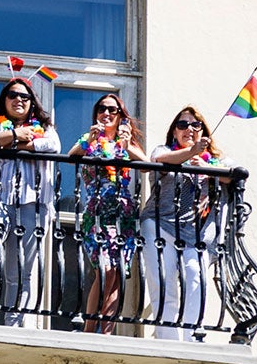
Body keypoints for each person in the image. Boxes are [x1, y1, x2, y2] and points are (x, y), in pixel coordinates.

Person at [0, 78, 60, 326]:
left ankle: (16, 322)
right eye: (13, 95)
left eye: (25, 96)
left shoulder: (44, 127)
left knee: (20, 268)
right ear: (4, 100)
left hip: (32, 202)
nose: (19, 99)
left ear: (32, 103)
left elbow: (53, 146)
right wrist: (12, 134)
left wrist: (20, 142)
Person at [64, 93, 146, 333]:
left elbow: (145, 163)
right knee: (104, 268)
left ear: (121, 116)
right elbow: (71, 157)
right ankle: (90, 329)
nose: (106, 113)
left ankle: (107, 331)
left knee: (117, 271)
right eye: (102, 109)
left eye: (112, 110)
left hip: (123, 214)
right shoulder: (89, 141)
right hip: (97, 213)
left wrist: (127, 144)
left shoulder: (126, 143)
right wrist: (90, 140)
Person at [143, 105, 226, 341]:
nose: (189, 128)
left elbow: (234, 175)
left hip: (196, 233)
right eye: (182, 125)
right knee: (163, 281)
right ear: (174, 132)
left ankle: (191, 339)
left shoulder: (215, 160)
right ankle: (168, 340)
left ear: (203, 131)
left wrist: (208, 168)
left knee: (196, 278)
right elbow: (161, 159)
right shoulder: (165, 149)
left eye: (195, 125)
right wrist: (190, 153)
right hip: (161, 225)